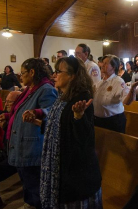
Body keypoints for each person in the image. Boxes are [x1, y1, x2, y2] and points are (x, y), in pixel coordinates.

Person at [37, 56, 102, 208]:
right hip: (62, 166)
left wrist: (78, 117)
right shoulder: (62, 98)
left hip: (76, 173)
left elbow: (85, 139)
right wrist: (40, 122)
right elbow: (59, 126)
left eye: (59, 71)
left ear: (72, 76)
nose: (55, 75)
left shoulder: (82, 98)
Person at [0, 58, 58, 209]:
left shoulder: (46, 89)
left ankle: (37, 205)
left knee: (34, 182)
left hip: (33, 145)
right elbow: (21, 112)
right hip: (22, 143)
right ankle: (30, 203)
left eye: (23, 73)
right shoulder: (31, 89)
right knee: (26, 179)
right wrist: (9, 116)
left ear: (32, 72)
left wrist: (37, 112)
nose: (20, 76)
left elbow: (52, 112)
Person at [93, 55, 130, 133]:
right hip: (99, 121)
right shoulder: (100, 83)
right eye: (103, 63)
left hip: (112, 122)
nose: (102, 65)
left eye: (106, 63)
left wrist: (132, 91)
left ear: (113, 67)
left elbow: (126, 101)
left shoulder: (118, 82)